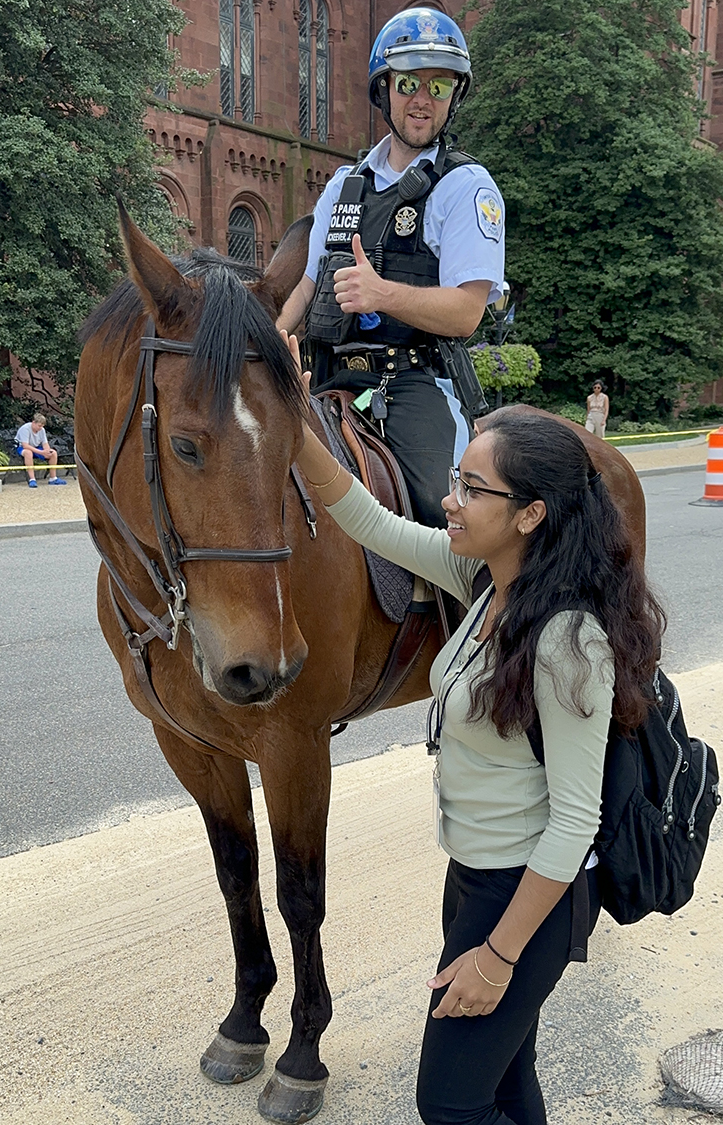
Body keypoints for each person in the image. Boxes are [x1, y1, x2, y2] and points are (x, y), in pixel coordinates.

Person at [284, 331, 665, 1125]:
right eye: (455, 480)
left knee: (451, 1104)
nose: (448, 499)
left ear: (530, 513)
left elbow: (573, 819)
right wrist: (291, 417)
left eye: (470, 488)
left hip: (527, 894)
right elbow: (365, 516)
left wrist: (496, 955)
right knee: (505, 1081)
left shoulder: (568, 641)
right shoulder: (484, 580)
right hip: (475, 878)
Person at [277, 7, 505, 528]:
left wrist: (382, 294)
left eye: (439, 87)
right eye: (408, 83)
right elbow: (308, 286)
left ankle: (483, 609)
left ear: (454, 97)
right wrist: (265, 342)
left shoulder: (466, 187)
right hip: (327, 377)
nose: (422, 100)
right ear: (385, 89)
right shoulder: (343, 186)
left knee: (451, 515)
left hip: (410, 385)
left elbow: (468, 312)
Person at [15, 413, 67, 487]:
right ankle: (32, 479)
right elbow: (25, 445)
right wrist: (41, 452)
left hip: (36, 447)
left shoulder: (42, 430)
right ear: (33, 423)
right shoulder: (25, 429)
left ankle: (53, 478)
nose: (40, 428)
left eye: (42, 426)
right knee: (28, 453)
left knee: (53, 453)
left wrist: (47, 451)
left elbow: (45, 443)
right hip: (22, 448)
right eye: (39, 426)